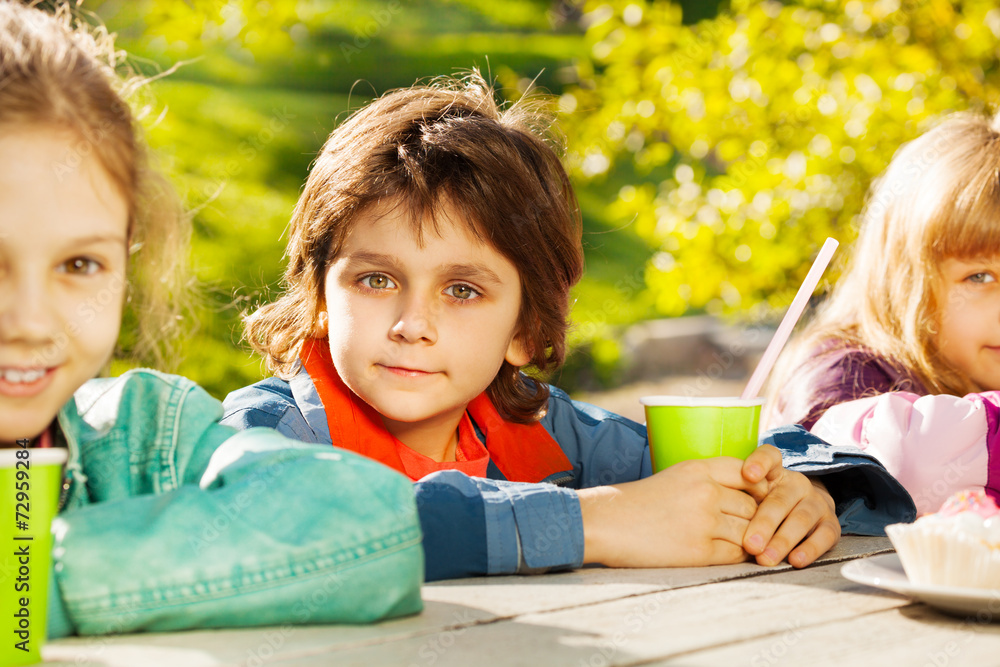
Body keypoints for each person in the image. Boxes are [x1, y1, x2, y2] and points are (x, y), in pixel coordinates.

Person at [223, 74, 913, 579]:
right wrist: (603, 520)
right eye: (376, 279)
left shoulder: (538, 430)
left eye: (462, 290)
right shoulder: (272, 431)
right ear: (318, 294)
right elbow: (300, 526)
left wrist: (802, 488)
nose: (412, 324)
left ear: (524, 330)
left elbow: (782, 451)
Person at [0, 1, 423, 638]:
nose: (32, 322)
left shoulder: (145, 438)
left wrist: (25, 578)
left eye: (80, 264)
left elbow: (374, 526)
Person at [766, 109, 1000, 514]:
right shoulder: (843, 372)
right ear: (904, 278)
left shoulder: (972, 363)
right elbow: (903, 464)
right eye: (979, 277)